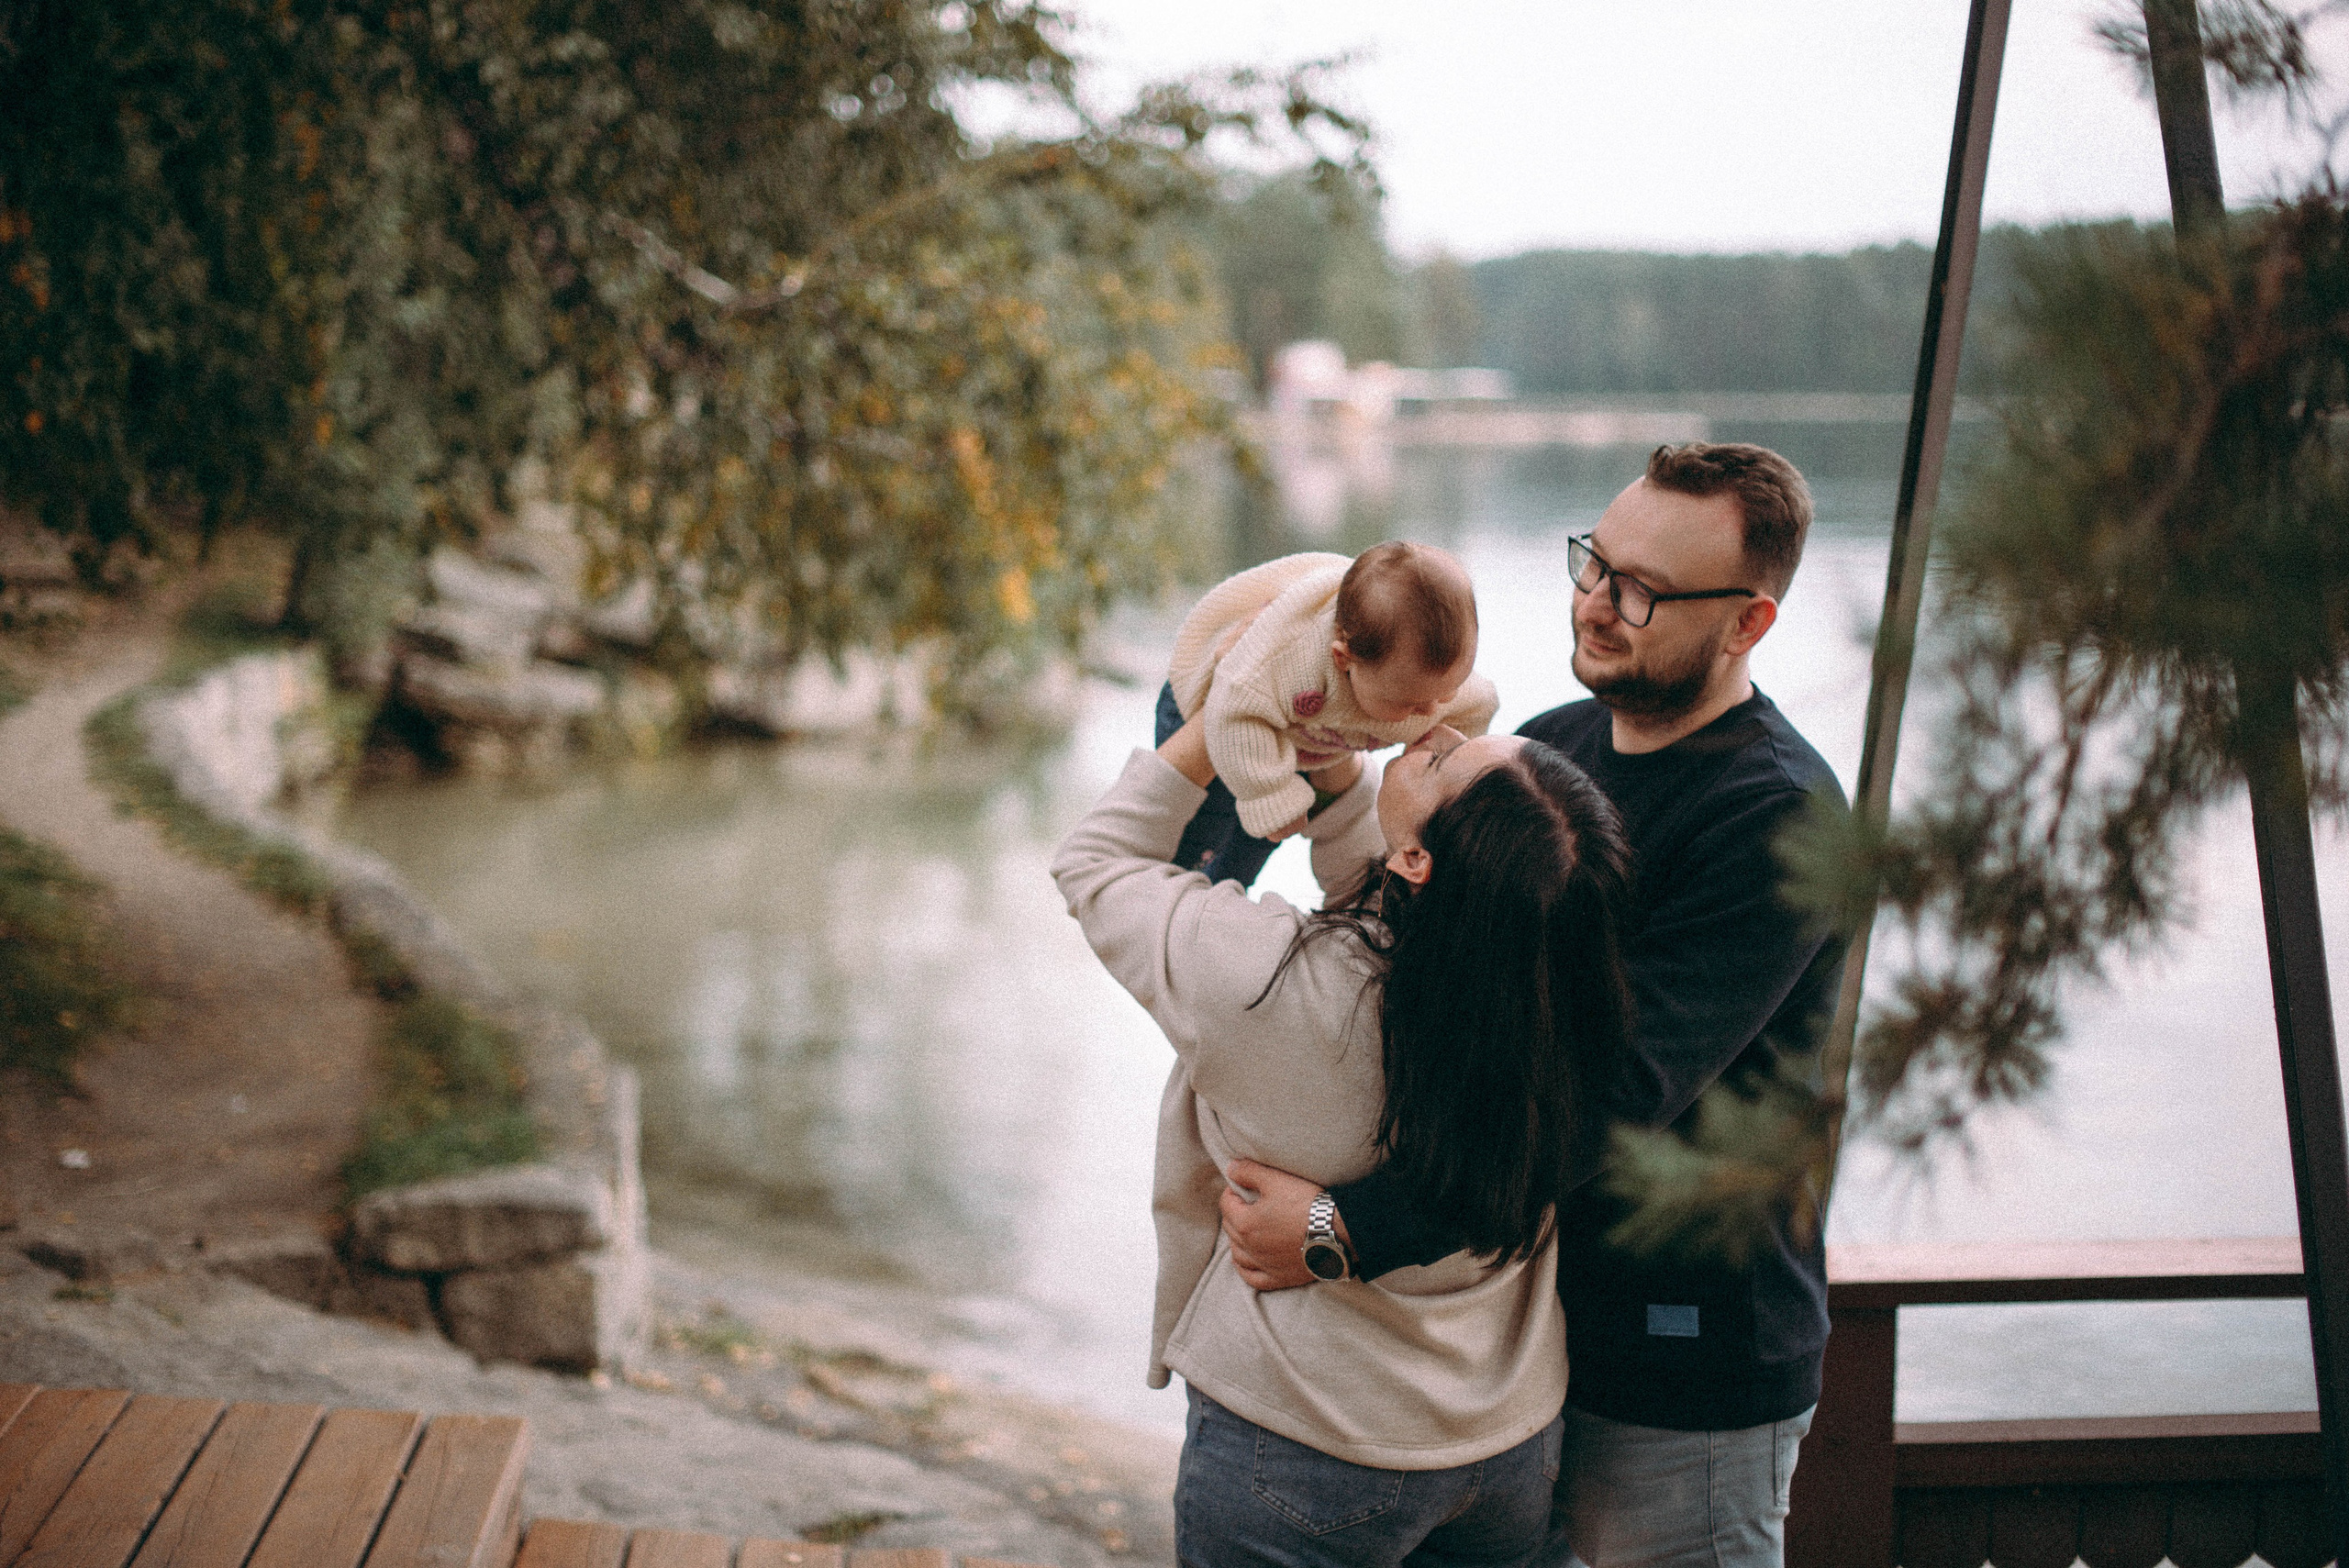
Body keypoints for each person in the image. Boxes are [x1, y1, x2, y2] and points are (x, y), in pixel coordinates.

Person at [1218, 442, 1850, 1568]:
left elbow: (1609, 1094)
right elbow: (1415, 976)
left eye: (1641, 590)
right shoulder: (1547, 750)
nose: (1597, 605)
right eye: (1593, 564)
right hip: (1520, 1354)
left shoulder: (1777, 820)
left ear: (1748, 624)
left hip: (1682, 1372)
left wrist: (1347, 1230)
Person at [1052, 696, 1635, 1567]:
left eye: (1447, 759)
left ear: (1416, 861)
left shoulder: (1269, 982)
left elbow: (1095, 864)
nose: (1438, 735)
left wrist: (1223, 719)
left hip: (1304, 1438)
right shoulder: (1561, 995)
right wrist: (1335, 786)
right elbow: (1412, 890)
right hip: (1503, 1440)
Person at [1154, 541, 1499, 889]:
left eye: (1445, 693)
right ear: (1343, 658)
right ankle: (1167, 898)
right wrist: (1269, 794)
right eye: (1409, 703)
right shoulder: (1288, 664)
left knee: (1250, 853)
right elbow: (1234, 708)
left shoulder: (1425, 683)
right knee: (1195, 840)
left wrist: (1445, 770)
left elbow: (1478, 707)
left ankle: (1217, 899)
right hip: (1219, 722)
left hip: (1301, 744)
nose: (1430, 711)